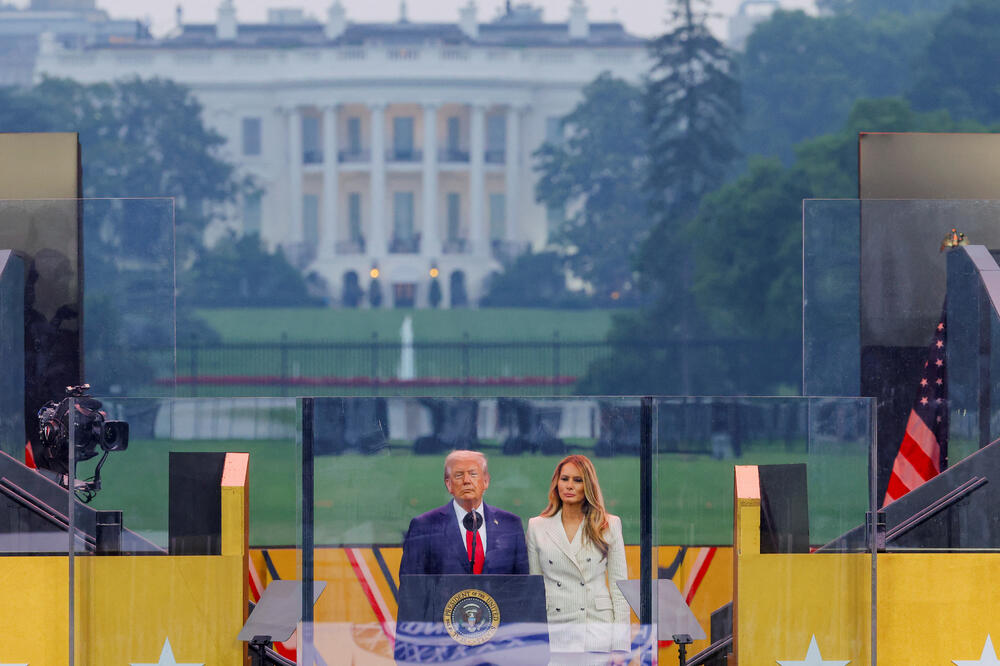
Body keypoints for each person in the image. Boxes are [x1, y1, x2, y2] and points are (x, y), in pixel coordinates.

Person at [527, 455, 629, 665]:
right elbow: (535, 590)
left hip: (597, 631)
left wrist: (620, 645)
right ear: (556, 483)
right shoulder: (537, 526)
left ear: (588, 485)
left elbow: (620, 588)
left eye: (578, 480)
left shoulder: (609, 524)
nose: (569, 486)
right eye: (564, 479)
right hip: (555, 631)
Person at [400, 449, 528, 575]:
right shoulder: (424, 526)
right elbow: (411, 587)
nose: (466, 481)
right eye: (459, 475)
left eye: (473, 474)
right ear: (448, 484)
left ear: (486, 481)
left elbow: (523, 585)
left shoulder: (510, 524)